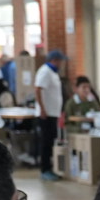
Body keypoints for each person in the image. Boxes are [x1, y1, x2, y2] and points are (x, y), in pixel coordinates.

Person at [33, 49, 66, 181]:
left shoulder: (53, 73)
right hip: (46, 114)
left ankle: (50, 168)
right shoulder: (45, 71)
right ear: (54, 60)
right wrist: (42, 109)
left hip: (53, 112)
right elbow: (37, 89)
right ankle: (45, 169)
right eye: (60, 61)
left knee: (51, 141)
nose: (61, 63)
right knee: (46, 142)